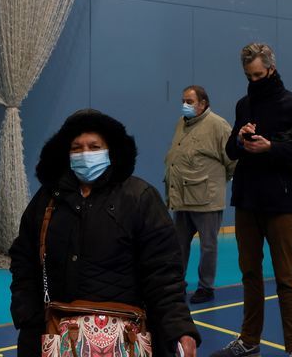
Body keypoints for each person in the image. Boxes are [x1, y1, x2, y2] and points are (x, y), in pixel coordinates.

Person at [10, 109, 200, 357]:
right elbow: (24, 260)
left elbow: (163, 274)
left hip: (126, 340)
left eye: (94, 146)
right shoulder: (47, 201)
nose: (85, 154)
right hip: (55, 337)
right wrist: (28, 316)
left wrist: (179, 328)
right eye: (76, 148)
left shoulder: (140, 198)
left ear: (110, 150)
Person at [211, 43, 292, 357]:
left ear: (271, 69)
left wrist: (270, 147)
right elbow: (231, 152)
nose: (254, 79)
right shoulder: (243, 105)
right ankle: (249, 340)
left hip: (281, 203)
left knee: (286, 278)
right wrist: (241, 139)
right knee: (249, 273)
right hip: (247, 200)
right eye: (248, 75)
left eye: (258, 74)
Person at [164, 85, 235, 304]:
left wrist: (215, 183)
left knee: (208, 246)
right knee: (179, 244)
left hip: (206, 199)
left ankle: (206, 287)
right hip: (183, 197)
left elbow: (233, 159)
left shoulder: (218, 125)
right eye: (183, 100)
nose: (185, 105)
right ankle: (177, 283)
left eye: (189, 101)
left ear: (203, 103)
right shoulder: (182, 123)